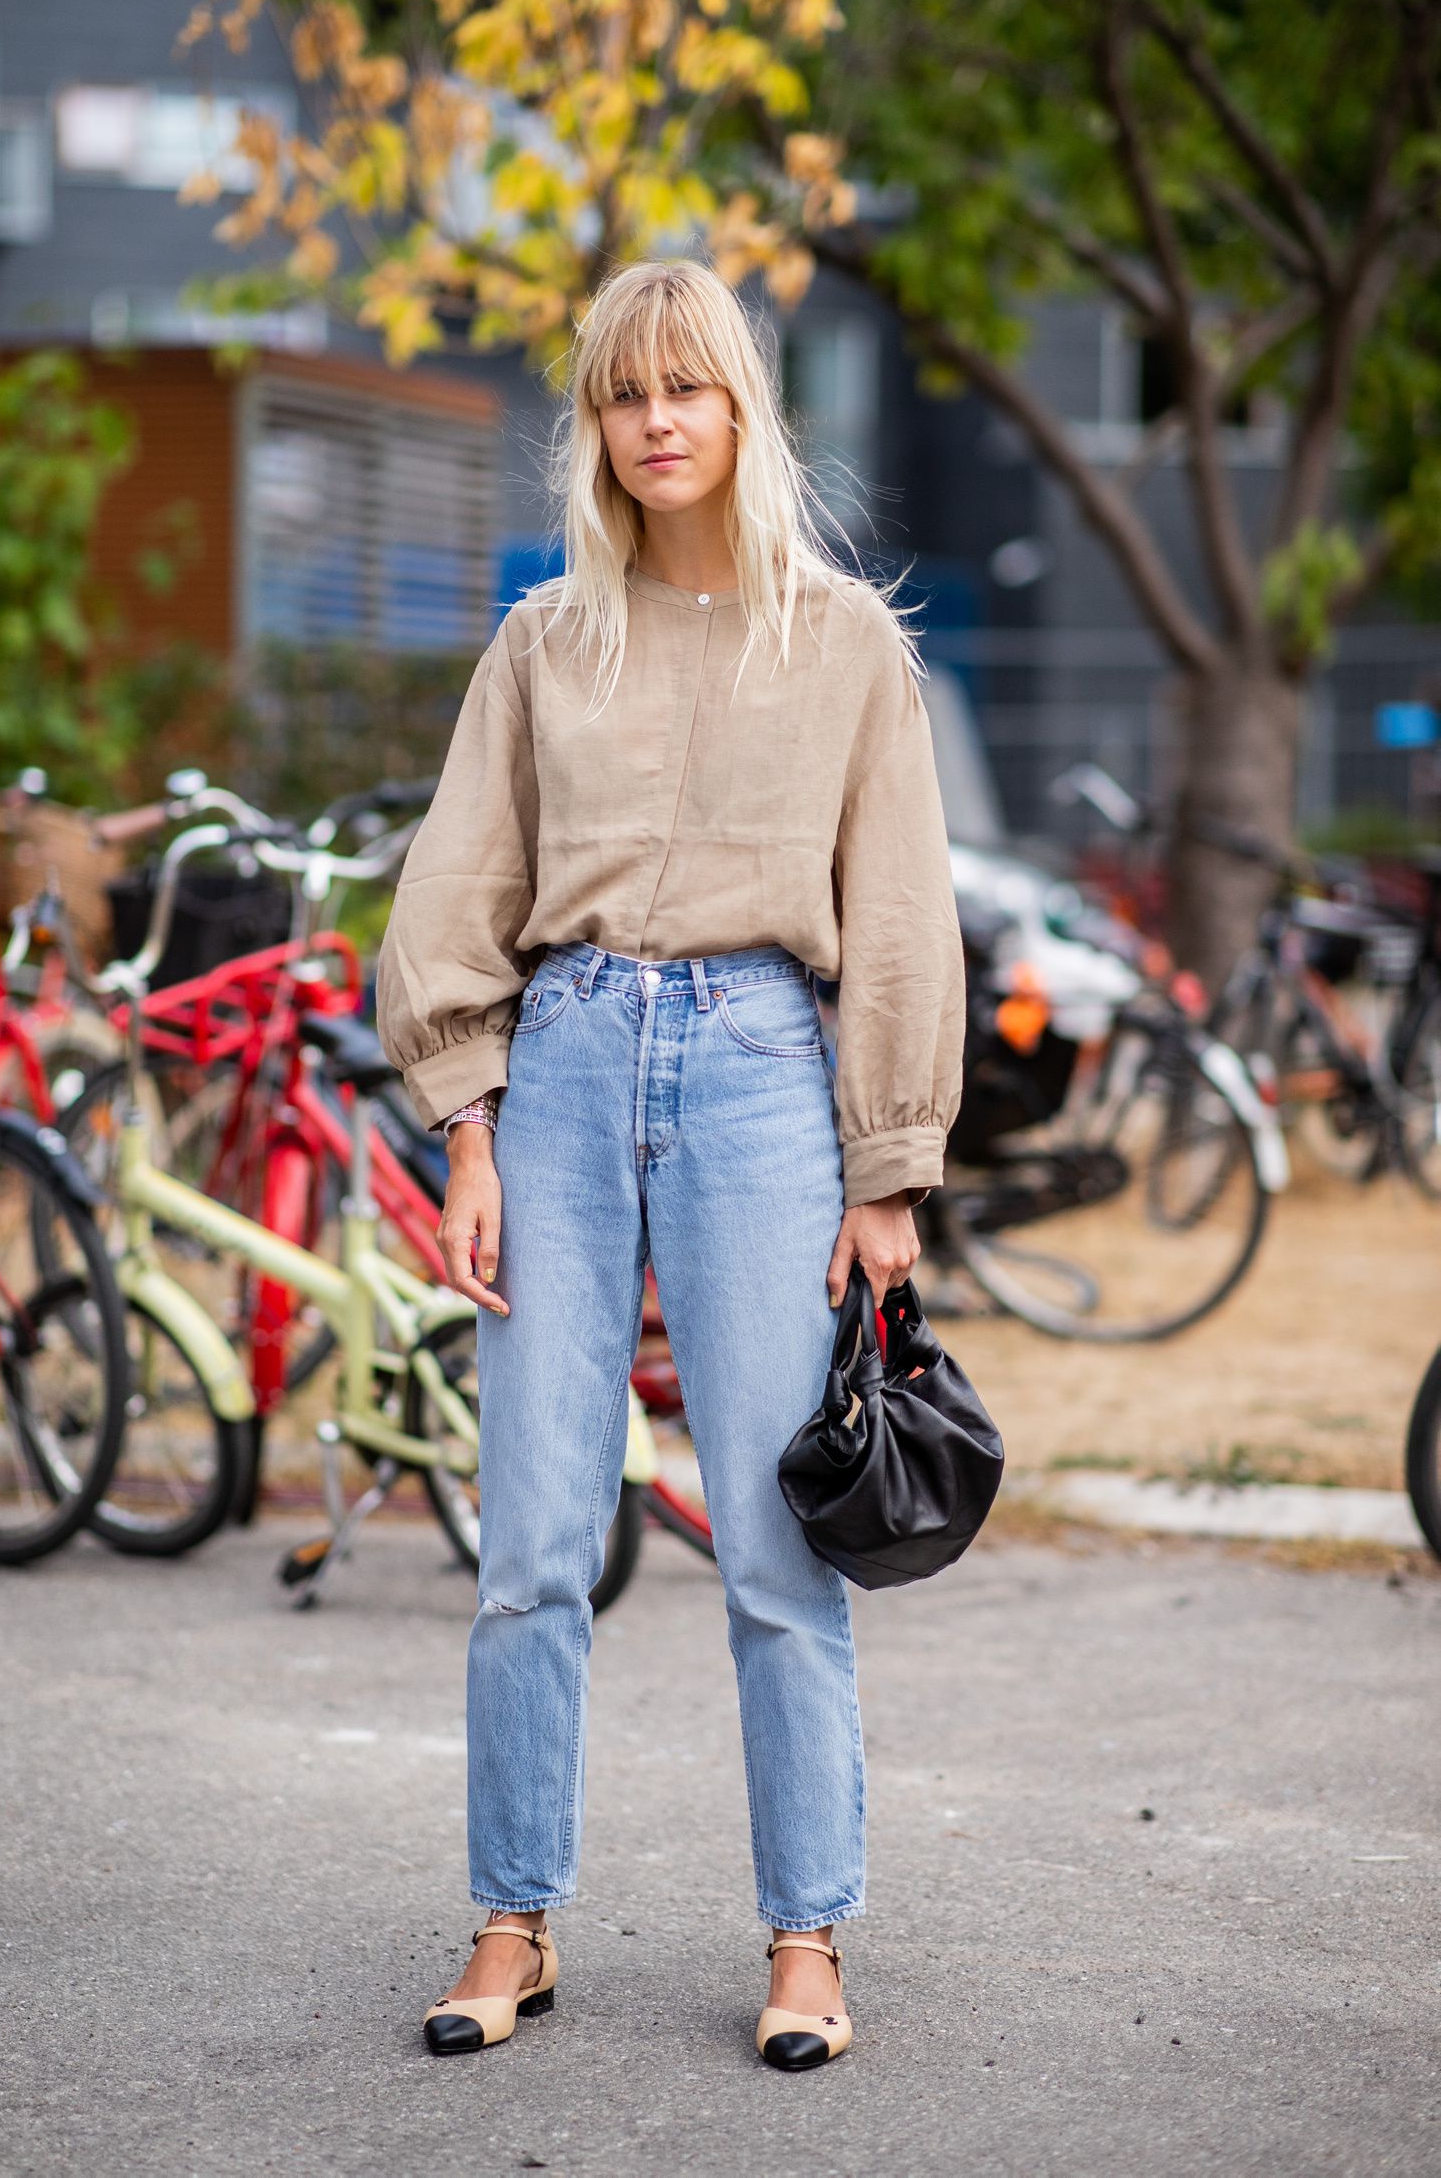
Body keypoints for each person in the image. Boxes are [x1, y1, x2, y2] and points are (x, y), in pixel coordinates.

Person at [375, 257, 964, 2069]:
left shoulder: (850, 644)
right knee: (532, 1540)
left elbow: (901, 926)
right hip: (555, 1071)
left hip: (763, 1074)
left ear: (741, 409)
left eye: (685, 389)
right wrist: (465, 1129)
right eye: (622, 396)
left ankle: (807, 1938)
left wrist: (888, 1171)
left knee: (780, 1546)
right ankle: (511, 1922)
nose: (654, 423)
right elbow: (457, 892)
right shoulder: (547, 641)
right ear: (596, 428)